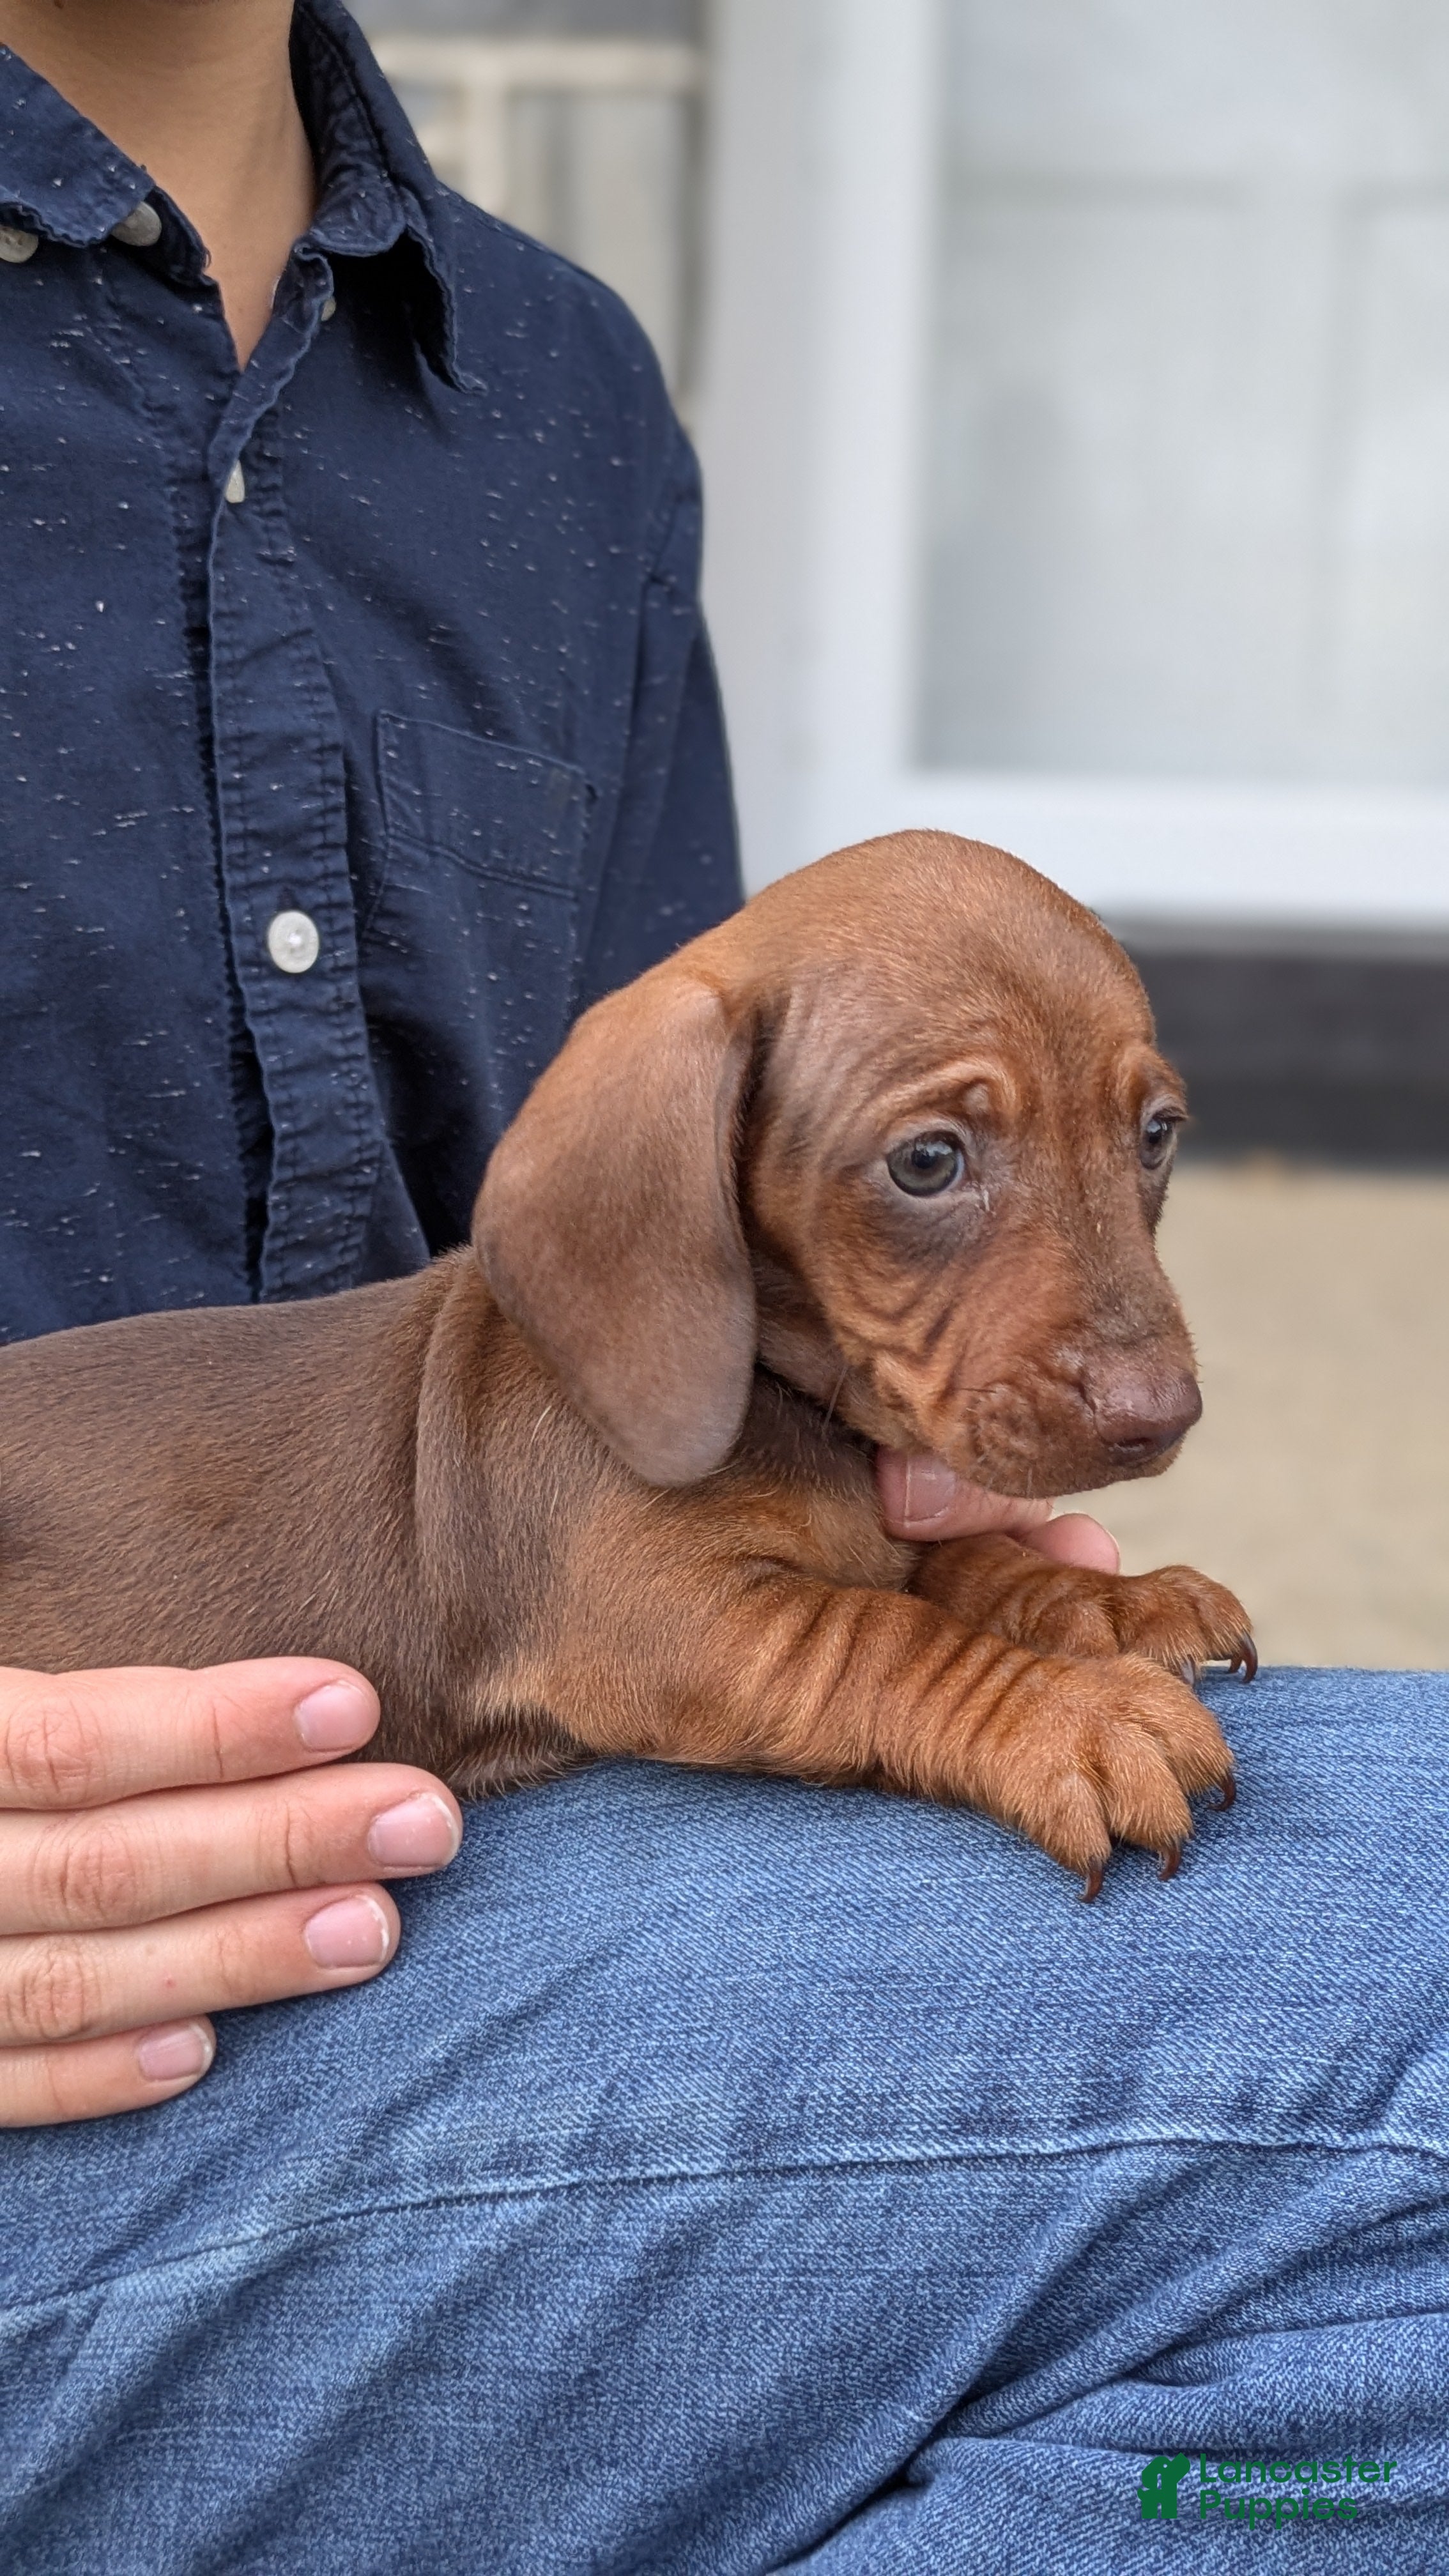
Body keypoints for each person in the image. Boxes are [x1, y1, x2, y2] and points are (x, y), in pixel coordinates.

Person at [2, 5, 1446, 2570]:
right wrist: (936, 1672)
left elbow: (678, 1333)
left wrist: (962, 1553)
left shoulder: (553, 398)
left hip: (444, 1894)